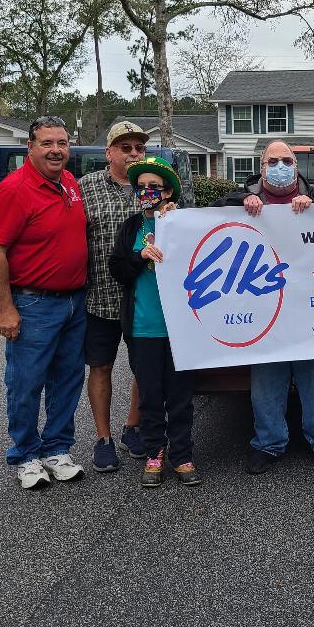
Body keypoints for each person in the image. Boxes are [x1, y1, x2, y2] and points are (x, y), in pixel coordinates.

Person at [216, 140, 314, 475]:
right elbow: (212, 215)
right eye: (272, 161)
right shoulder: (243, 198)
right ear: (261, 167)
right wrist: (240, 201)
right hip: (264, 309)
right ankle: (268, 443)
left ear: (296, 166)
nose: (280, 166)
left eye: (286, 161)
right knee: (266, 382)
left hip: (308, 309)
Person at [0, 115, 88, 490]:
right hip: (33, 303)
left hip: (74, 302)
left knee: (68, 380)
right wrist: (5, 308)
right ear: (29, 147)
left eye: (62, 143)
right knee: (26, 382)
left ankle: (57, 449)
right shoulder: (13, 190)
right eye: (47, 143)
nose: (56, 150)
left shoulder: (68, 182)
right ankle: (26, 455)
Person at [108, 157, 200, 488]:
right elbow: (117, 269)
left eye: (154, 186)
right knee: (149, 395)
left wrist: (175, 223)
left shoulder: (182, 223)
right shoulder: (131, 227)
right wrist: (139, 256)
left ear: (168, 191)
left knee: (180, 396)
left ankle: (182, 455)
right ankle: (153, 453)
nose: (147, 191)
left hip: (180, 328)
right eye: (141, 186)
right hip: (143, 326)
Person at [78, 121, 147, 472]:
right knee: (101, 366)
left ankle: (132, 427)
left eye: (139, 148)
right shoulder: (85, 187)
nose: (134, 153)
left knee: (143, 366)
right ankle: (103, 438)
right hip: (100, 296)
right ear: (109, 153)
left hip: (142, 298)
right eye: (125, 148)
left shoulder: (152, 185)